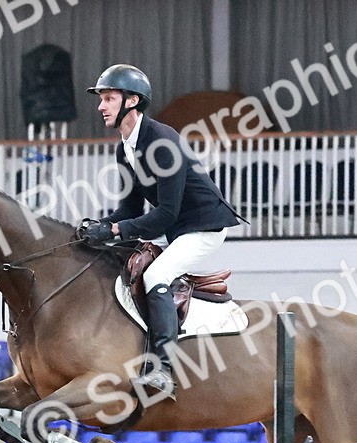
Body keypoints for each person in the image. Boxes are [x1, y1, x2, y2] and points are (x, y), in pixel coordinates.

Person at [81, 64, 242, 399]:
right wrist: (102, 227)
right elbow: (129, 211)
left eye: (108, 98)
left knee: (156, 277)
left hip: (203, 226)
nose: (101, 106)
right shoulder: (124, 148)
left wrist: (115, 228)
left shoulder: (163, 142)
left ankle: (162, 369)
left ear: (132, 100)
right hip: (176, 229)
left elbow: (166, 214)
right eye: (102, 99)